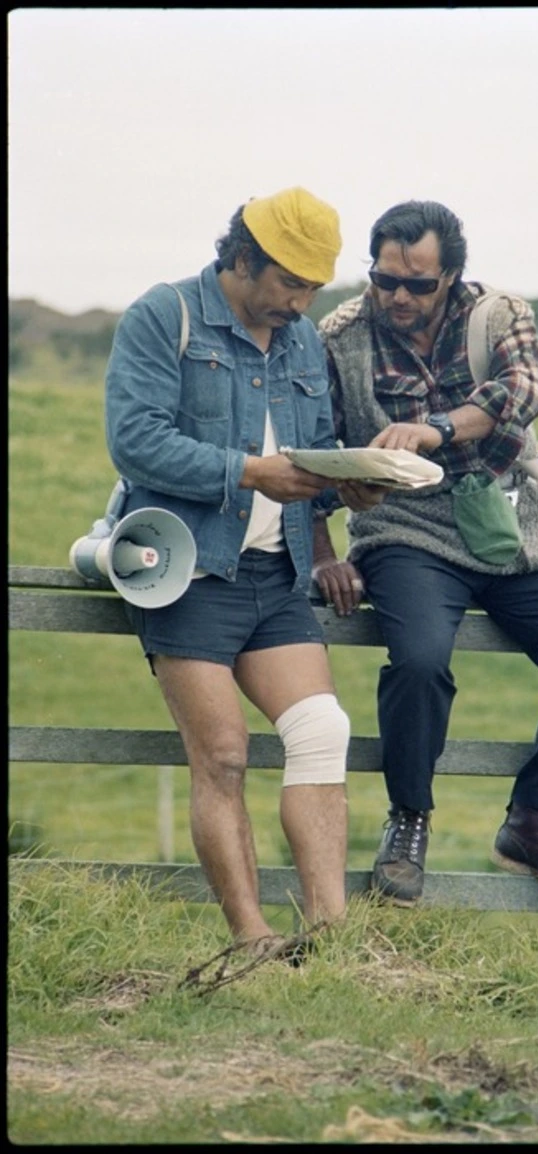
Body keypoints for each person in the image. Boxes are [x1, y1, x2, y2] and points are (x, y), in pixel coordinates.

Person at [312, 199, 538, 907]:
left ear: (451, 275)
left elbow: (522, 393)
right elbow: (318, 447)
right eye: (385, 279)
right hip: (405, 530)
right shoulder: (338, 335)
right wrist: (329, 536)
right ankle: (408, 822)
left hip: (518, 525)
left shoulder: (500, 314)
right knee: (422, 659)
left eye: (417, 283)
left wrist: (433, 429)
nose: (398, 296)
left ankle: (532, 822)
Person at [103, 187, 383, 955]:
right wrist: (251, 473)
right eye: (289, 282)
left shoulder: (299, 342)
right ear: (243, 258)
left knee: (322, 728)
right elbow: (135, 443)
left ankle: (332, 936)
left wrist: (347, 481)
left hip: (275, 571)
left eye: (313, 288)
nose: (300, 301)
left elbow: (313, 447)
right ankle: (251, 941)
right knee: (222, 755)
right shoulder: (165, 317)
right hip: (187, 569)